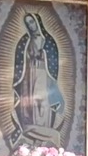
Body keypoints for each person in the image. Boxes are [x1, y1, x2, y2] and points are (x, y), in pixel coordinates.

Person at [11, 13, 65, 143]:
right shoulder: (25, 41)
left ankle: (45, 138)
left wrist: (43, 54)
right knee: (28, 106)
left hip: (42, 74)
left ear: (37, 22)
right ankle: (38, 138)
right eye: (28, 23)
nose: (31, 25)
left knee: (42, 105)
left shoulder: (48, 41)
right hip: (28, 76)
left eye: (32, 22)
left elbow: (52, 60)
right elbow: (20, 60)